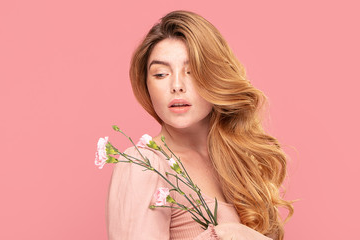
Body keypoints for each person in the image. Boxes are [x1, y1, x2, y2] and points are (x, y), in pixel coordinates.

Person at [106, 10, 294, 240]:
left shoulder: (237, 164)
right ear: (145, 85)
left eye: (192, 71)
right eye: (161, 74)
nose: (176, 85)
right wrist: (224, 235)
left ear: (215, 77)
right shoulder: (144, 166)